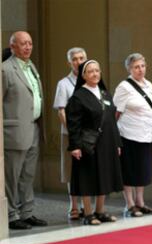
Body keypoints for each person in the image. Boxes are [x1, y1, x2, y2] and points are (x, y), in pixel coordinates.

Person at [65, 60, 123, 225]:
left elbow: (112, 120)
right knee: (87, 177)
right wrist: (75, 146)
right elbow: (73, 124)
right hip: (87, 144)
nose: (95, 74)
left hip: (107, 143)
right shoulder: (78, 96)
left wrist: (117, 143)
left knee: (103, 176)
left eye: (97, 70)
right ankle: (88, 213)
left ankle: (100, 210)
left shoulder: (104, 93)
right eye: (90, 71)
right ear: (83, 75)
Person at [3, 31, 48, 230]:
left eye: (30, 43)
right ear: (13, 47)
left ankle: (27, 212)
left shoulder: (31, 67)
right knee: (12, 175)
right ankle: (11, 215)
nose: (28, 47)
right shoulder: (5, 70)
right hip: (14, 131)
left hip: (33, 127)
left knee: (28, 175)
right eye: (23, 44)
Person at [113, 53, 152, 217]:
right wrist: (115, 139)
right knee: (129, 170)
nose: (140, 70)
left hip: (146, 134)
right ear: (129, 69)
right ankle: (130, 204)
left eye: (142, 66)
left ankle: (140, 202)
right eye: (136, 67)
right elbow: (115, 114)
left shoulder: (148, 85)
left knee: (143, 169)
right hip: (128, 134)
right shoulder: (124, 87)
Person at [53, 47, 87, 220]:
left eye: (81, 58)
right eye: (74, 59)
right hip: (71, 134)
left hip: (89, 134)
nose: (78, 62)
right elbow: (61, 112)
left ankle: (88, 206)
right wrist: (74, 133)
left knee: (87, 169)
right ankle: (74, 205)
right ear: (69, 62)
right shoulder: (64, 84)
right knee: (71, 170)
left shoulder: (92, 80)